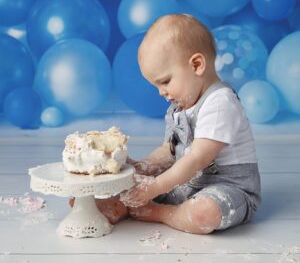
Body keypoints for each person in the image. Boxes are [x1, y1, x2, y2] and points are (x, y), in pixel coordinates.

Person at [70, 14, 261, 234]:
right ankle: (119, 202)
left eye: (165, 82)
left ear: (197, 65)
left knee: (203, 213)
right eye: (156, 86)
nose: (161, 92)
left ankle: (159, 212)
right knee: (135, 184)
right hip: (187, 184)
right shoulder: (181, 106)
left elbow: (197, 159)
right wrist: (141, 167)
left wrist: (155, 188)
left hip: (229, 189)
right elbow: (170, 152)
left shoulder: (220, 102)